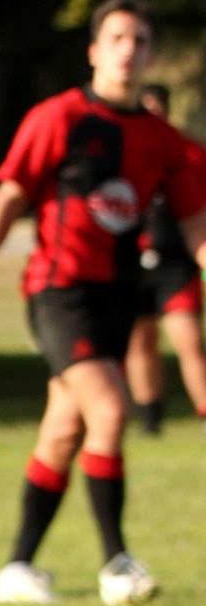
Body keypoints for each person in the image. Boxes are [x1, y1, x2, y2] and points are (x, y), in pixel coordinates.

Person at [0, 0, 206, 606]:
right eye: (117, 38)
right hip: (59, 294)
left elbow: (194, 225)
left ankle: (17, 568)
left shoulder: (164, 142)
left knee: (62, 432)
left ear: (152, 54)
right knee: (110, 412)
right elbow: (8, 200)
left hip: (117, 299)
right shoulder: (56, 119)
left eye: (140, 41)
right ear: (93, 51)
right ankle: (116, 563)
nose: (128, 51)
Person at [122, 84, 206, 437]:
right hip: (132, 260)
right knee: (140, 341)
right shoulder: (123, 151)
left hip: (176, 263)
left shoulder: (189, 153)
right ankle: (150, 418)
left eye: (158, 107)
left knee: (188, 339)